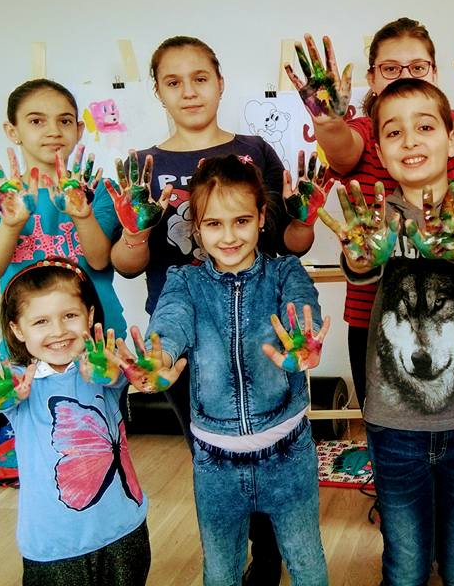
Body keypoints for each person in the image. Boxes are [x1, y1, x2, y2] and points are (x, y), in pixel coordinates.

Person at [109, 35, 315, 582]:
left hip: (262, 330)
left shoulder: (257, 152)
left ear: (220, 82)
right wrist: (135, 231)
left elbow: (289, 244)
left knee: (271, 443)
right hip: (186, 338)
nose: (189, 91)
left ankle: (267, 560)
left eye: (200, 78)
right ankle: (236, 549)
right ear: (157, 91)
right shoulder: (139, 166)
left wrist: (304, 221)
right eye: (173, 82)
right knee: (216, 451)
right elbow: (125, 264)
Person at [321, 79, 454, 584]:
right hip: (393, 420)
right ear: (380, 152)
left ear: (451, 139)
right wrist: (362, 256)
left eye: (425, 127)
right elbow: (359, 264)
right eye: (393, 132)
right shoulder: (374, 219)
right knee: (404, 565)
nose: (410, 140)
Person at [287, 5, 454, 407]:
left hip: (449, 308)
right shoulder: (365, 131)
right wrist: (328, 121)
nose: (405, 75)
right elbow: (342, 150)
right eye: (390, 68)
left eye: (417, 67)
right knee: (386, 425)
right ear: (372, 78)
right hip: (374, 313)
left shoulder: (446, 127)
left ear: (435, 73)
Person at [132, 154, 328, 586]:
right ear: (197, 229)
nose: (228, 236)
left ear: (261, 217)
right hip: (215, 465)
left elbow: (303, 307)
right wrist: (159, 357)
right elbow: (170, 322)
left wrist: (304, 336)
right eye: (214, 224)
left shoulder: (285, 271)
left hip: (288, 456)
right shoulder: (185, 282)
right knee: (220, 572)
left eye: (241, 221)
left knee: (307, 562)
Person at [0, 259, 149, 585]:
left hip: (124, 530)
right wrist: (3, 397)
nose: (58, 331)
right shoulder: (20, 383)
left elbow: (119, 377)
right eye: (41, 321)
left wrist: (122, 370)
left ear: (89, 315)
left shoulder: (104, 368)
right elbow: (7, 398)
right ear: (18, 330)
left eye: (70, 316)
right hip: (55, 546)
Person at [0, 78, 126, 335]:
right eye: (36, 121)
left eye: (65, 121)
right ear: (12, 131)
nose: (54, 131)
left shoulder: (99, 190)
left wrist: (82, 216)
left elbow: (99, 261)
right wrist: (11, 225)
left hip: (99, 337)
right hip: (30, 342)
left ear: (79, 129)